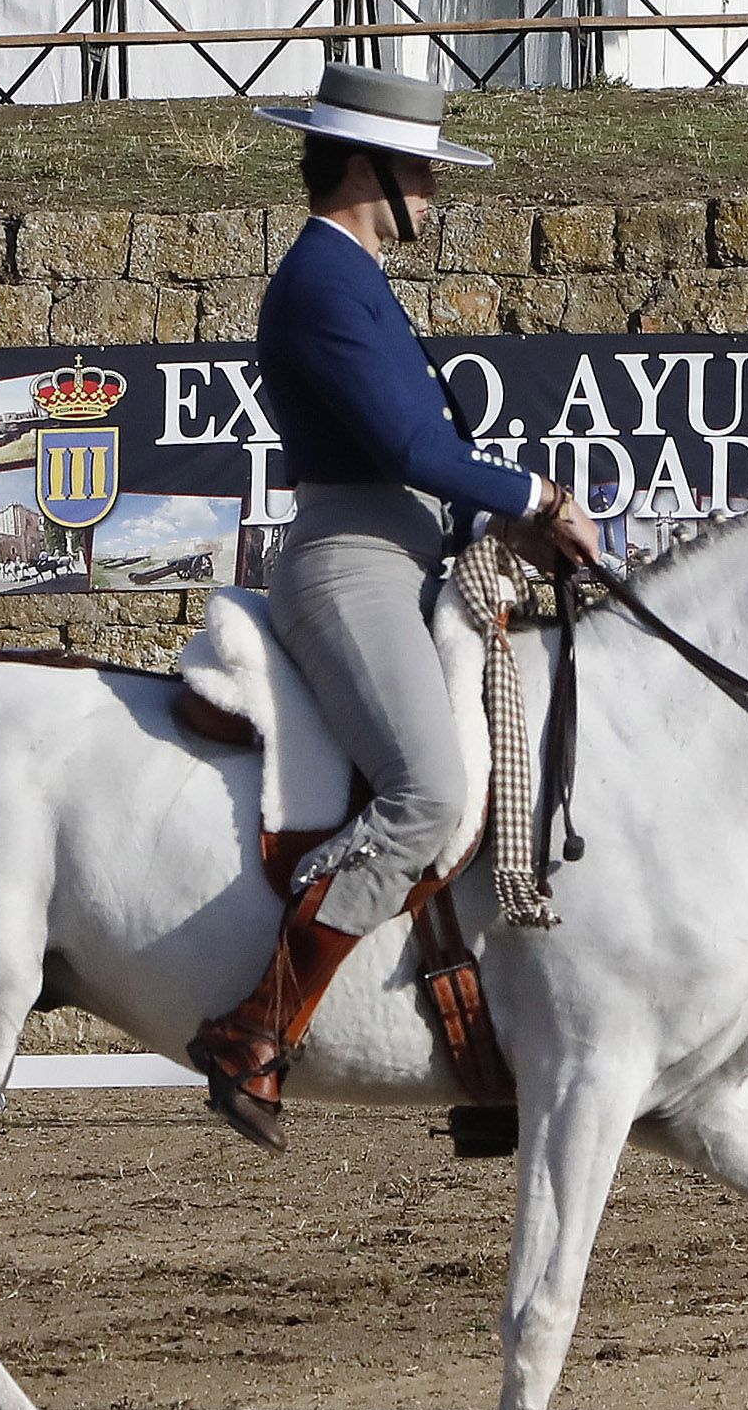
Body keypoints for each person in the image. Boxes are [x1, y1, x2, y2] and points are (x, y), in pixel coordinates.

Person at [186, 65, 600, 1151]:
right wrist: (537, 499)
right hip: (354, 559)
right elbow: (414, 450)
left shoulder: (358, 278)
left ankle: (478, 1042)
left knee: (522, 762)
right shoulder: (323, 281)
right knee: (425, 794)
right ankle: (254, 1030)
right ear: (369, 168)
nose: (432, 185)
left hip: (411, 551)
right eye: (419, 165)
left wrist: (499, 527)